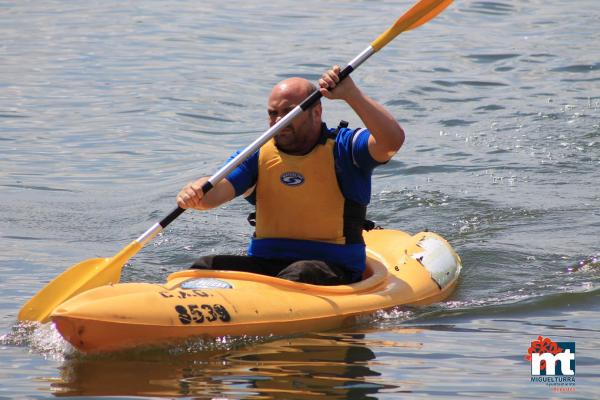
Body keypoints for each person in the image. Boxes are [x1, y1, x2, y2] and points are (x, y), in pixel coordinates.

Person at [176, 65, 404, 285]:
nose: (278, 121)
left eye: (288, 112)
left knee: (300, 272)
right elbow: (216, 192)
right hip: (267, 264)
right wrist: (197, 190)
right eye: (273, 114)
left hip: (334, 267)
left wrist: (351, 94)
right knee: (203, 267)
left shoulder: (346, 148)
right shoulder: (258, 155)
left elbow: (391, 141)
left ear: (316, 112)